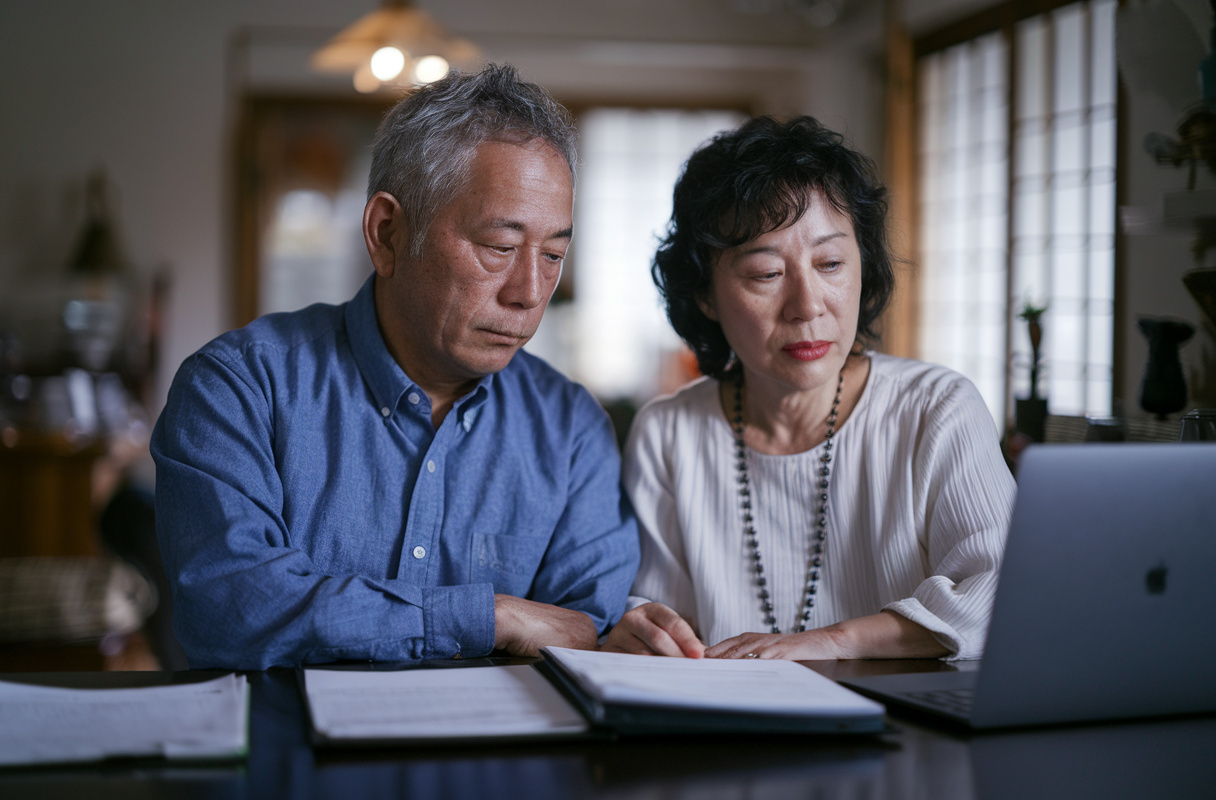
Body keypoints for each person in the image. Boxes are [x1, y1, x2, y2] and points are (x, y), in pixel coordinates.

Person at [152, 65, 639, 670]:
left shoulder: (569, 429)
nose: (529, 292)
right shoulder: (240, 388)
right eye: (500, 248)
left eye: (555, 254)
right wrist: (492, 616)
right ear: (386, 234)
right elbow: (232, 610)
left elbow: (586, 634)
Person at [603, 116, 1014, 662]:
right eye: (766, 274)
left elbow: (1003, 593)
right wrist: (642, 629)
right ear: (705, 294)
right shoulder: (669, 432)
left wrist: (827, 642)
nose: (808, 305)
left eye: (830, 263)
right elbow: (670, 629)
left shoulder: (936, 410)